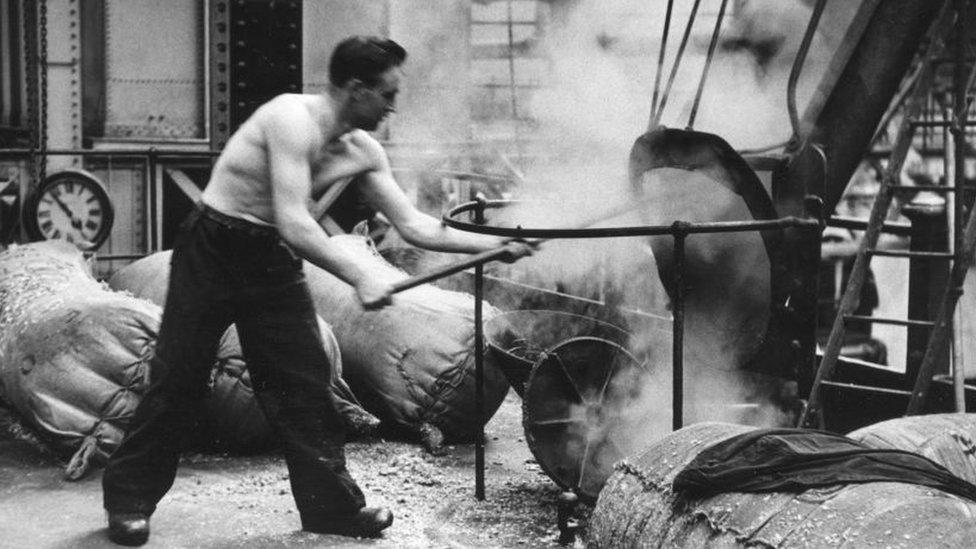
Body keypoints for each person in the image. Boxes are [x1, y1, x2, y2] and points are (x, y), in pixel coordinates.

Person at [101, 35, 532, 546]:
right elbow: (295, 224)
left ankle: (330, 509)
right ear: (355, 89)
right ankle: (128, 501)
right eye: (388, 93)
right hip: (215, 245)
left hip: (268, 259)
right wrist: (362, 275)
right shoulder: (290, 120)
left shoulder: (364, 151)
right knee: (179, 377)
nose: (394, 104)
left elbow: (418, 225)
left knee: (305, 383)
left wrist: (498, 243)